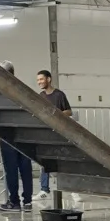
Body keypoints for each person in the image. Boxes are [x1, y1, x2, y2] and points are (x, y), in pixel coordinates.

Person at [0, 61, 33, 211]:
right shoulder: (23, 90)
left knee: (11, 170)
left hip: (8, 135)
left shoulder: (0, 91)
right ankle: (28, 201)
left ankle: (14, 202)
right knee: (26, 169)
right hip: (25, 135)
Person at [35, 69, 72, 198]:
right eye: (38, 80)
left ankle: (72, 190)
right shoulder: (41, 96)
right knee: (44, 161)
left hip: (59, 133)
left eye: (41, 79)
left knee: (64, 161)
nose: (39, 82)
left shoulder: (59, 95)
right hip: (46, 133)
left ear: (49, 79)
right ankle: (44, 189)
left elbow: (69, 111)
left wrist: (56, 114)